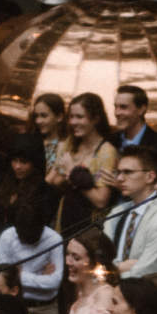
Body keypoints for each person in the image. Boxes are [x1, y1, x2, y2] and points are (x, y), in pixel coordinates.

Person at [102, 145, 157, 278]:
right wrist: (120, 267)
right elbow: (101, 257)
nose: (119, 178)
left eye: (128, 172)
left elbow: (148, 271)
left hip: (148, 296)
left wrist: (111, 272)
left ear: (150, 177)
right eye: (119, 172)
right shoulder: (118, 211)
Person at [0, 197, 63, 314]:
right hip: (17, 305)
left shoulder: (54, 239)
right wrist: (39, 276)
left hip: (45, 308)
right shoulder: (7, 237)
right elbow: (5, 279)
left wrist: (21, 275)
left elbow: (55, 282)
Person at [46, 92, 118, 232]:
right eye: (71, 117)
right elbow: (55, 181)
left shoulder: (107, 152)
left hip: (89, 227)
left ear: (96, 118)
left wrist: (73, 173)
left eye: (79, 117)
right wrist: (70, 179)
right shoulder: (70, 143)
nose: (73, 122)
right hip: (65, 219)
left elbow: (100, 201)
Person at [111, 84, 157, 151]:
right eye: (116, 107)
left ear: (141, 109)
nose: (117, 113)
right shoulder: (111, 141)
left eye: (123, 107)